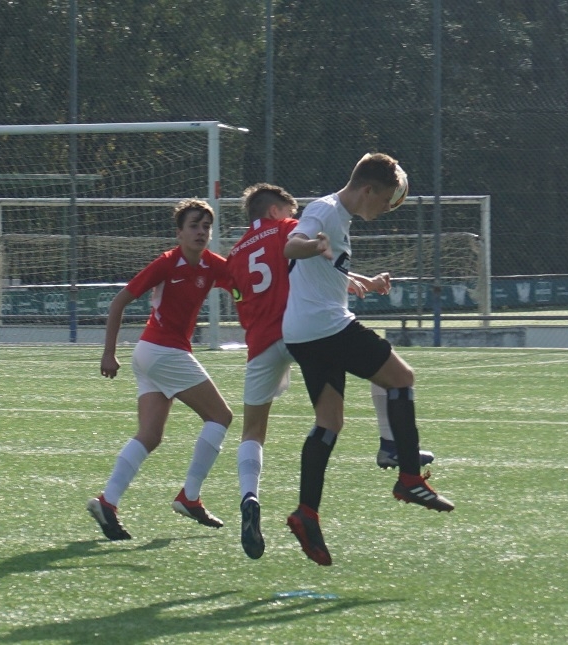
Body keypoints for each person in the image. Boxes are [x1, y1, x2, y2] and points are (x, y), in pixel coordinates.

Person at [225, 183, 435, 560]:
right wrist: (355, 276)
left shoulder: (235, 253)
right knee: (391, 373)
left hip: (261, 344)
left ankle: (251, 496)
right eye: (290, 211)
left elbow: (253, 288)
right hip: (301, 330)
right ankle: (396, 453)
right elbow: (309, 252)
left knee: (257, 429)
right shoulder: (291, 226)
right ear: (276, 212)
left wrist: (357, 281)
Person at [281, 153, 454, 567]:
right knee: (401, 378)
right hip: (326, 327)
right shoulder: (325, 210)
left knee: (329, 423)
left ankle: (306, 513)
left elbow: (327, 266)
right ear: (367, 190)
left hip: (304, 331)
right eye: (385, 200)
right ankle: (408, 476)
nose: (386, 208)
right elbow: (292, 245)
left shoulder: (339, 216)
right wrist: (310, 244)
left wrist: (364, 281)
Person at [87, 199, 233, 541]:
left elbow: (247, 281)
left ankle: (107, 502)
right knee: (220, 417)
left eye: (206, 227)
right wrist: (108, 353)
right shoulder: (167, 263)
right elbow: (119, 301)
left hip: (153, 355)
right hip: (162, 352)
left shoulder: (212, 264)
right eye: (194, 226)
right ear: (179, 233)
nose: (201, 232)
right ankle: (190, 497)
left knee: (150, 436)